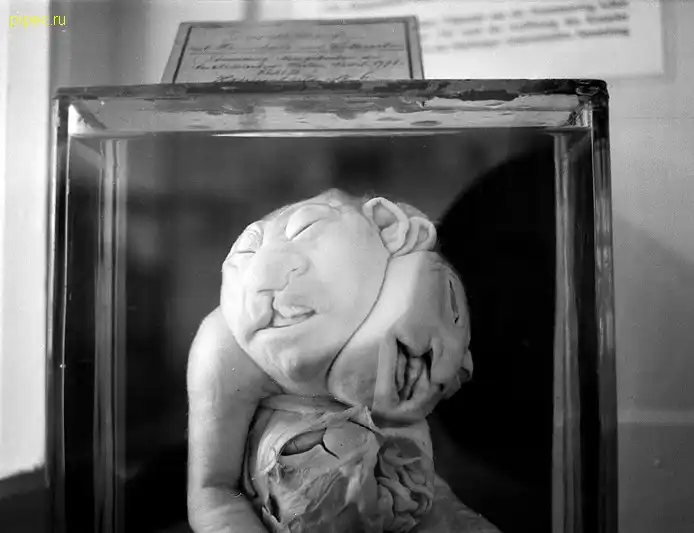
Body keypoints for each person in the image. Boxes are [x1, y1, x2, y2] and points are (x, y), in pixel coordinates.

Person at [187, 189, 489, 533]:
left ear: (388, 226)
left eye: (305, 229)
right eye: (246, 254)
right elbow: (214, 494)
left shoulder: (413, 284)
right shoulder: (225, 345)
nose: (262, 276)